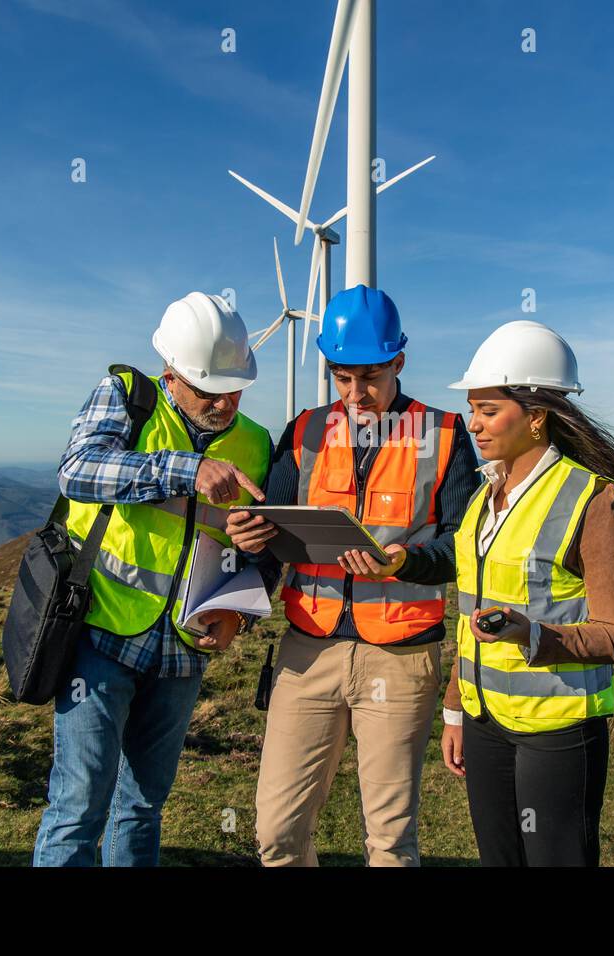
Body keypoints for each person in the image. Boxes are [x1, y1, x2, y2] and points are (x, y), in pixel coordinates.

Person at [226, 284, 481, 866]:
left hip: (401, 654)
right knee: (276, 831)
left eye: (370, 376)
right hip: (307, 653)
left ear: (399, 361)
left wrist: (405, 562)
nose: (356, 392)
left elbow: (465, 548)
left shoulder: (444, 435)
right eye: (342, 377)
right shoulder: (305, 430)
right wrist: (248, 551)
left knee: (389, 839)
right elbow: (273, 534)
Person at [32, 292, 277, 867]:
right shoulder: (127, 396)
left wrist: (239, 610)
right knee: (79, 805)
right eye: (211, 391)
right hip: (103, 634)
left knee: (143, 803)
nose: (226, 402)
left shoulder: (259, 442)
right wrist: (185, 468)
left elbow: (260, 545)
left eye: (235, 388)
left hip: (184, 652)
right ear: (171, 374)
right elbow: (77, 470)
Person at [438, 319, 614, 867]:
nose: (474, 424)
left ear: (537, 416)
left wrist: (533, 635)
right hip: (484, 721)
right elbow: (470, 616)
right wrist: (454, 710)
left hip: (558, 730)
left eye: (488, 411)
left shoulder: (593, 500)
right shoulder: (481, 499)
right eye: (473, 409)